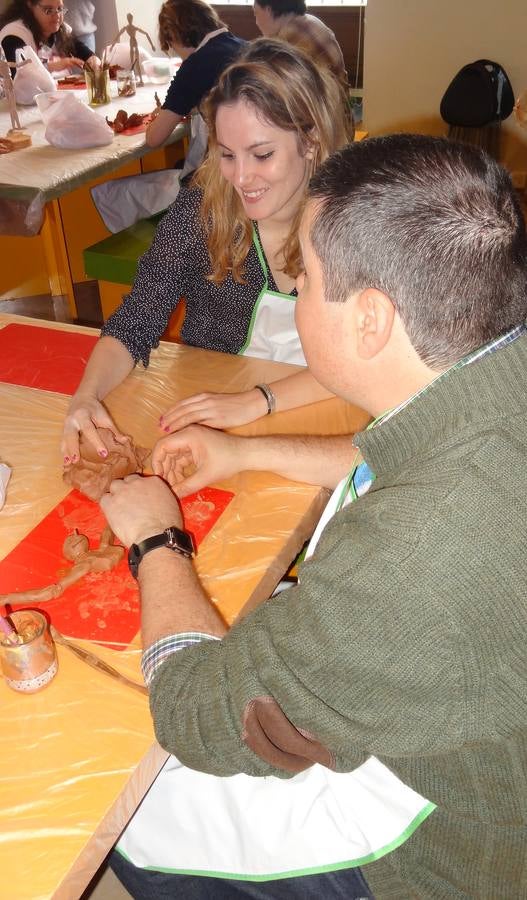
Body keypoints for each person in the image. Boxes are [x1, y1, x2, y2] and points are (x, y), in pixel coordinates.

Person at [100, 134, 527, 897]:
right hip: (460, 708)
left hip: (439, 843)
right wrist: (243, 453)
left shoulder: (413, 556)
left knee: (126, 807)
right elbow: (405, 458)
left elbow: (198, 714)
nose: (294, 294)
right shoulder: (495, 373)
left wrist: (156, 540)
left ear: (369, 320)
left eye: (305, 281)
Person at [62, 39, 353, 464]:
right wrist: (86, 397)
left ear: (310, 141)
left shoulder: (351, 223)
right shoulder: (200, 215)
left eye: (262, 154)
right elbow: (136, 319)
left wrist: (259, 400)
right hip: (209, 413)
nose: (242, 178)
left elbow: (362, 363)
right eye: (228, 155)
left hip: (321, 418)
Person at [92, 0, 246, 233]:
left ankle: (164, 247)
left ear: (174, 35)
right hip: (249, 170)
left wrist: (161, 116)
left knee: (110, 194)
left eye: (172, 46)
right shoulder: (245, 46)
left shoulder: (195, 66)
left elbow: (154, 138)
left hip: (219, 187)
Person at [253, 0, 347, 87]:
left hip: (326, 98)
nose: (256, 22)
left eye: (256, 14)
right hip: (336, 96)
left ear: (268, 10)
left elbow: (271, 83)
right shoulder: (309, 21)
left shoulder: (289, 36)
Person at [0, 0, 99, 74]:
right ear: (30, 5)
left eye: (60, 9)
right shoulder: (14, 35)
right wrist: (51, 67)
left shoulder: (60, 30)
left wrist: (92, 59)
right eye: (48, 10)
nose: (57, 16)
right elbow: (17, 77)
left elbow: (83, 51)